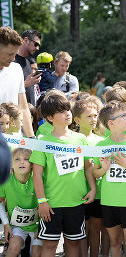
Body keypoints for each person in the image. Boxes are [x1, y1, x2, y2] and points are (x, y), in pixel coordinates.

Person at [29, 90, 96, 256]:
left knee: (72, 245)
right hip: (51, 205)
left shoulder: (80, 139)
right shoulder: (43, 141)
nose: (67, 114)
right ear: (50, 118)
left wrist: (93, 189)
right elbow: (36, 174)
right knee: (50, 247)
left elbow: (88, 167)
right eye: (61, 111)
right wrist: (42, 201)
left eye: (67, 109)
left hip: (76, 203)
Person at [92, 101, 126, 257]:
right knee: (114, 242)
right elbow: (95, 173)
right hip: (109, 201)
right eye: (123, 116)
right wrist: (103, 168)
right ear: (111, 123)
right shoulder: (101, 145)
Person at [72, 99, 109, 257]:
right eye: (89, 116)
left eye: (95, 116)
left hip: (99, 192)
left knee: (95, 228)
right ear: (77, 120)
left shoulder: (101, 141)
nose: (94, 119)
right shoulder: (71, 140)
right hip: (78, 192)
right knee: (81, 231)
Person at [0, 148, 42, 257]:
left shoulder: (38, 179)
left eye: (26, 159)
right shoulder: (6, 180)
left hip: (37, 226)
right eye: (17, 159)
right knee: (14, 247)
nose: (22, 162)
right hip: (17, 226)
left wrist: (42, 226)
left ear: (32, 164)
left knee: (36, 253)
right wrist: (5, 223)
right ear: (11, 164)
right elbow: (0, 202)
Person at [0, 27, 34, 138]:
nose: (13, 58)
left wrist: (31, 138)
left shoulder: (16, 69)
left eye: (15, 54)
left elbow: (23, 107)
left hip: (15, 141)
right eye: (10, 54)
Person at [14, 30, 42, 106]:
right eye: (36, 44)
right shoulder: (10, 61)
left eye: (38, 46)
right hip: (15, 113)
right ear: (26, 40)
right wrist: (25, 84)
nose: (37, 48)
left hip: (30, 113)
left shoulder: (28, 62)